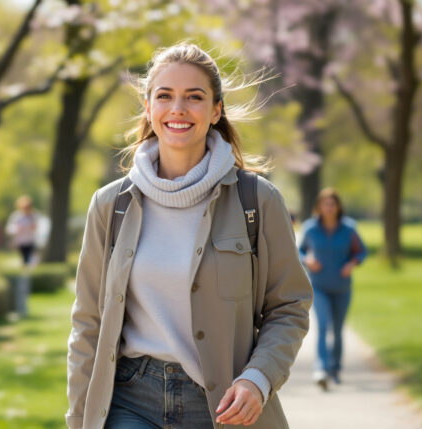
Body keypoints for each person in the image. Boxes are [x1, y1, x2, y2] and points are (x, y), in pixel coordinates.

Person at [65, 42, 312, 429]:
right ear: (148, 107)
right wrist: (79, 419)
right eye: (165, 96)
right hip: (129, 400)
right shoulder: (110, 204)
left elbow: (289, 306)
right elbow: (87, 323)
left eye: (194, 97)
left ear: (215, 111)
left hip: (222, 406)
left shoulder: (257, 201)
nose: (178, 109)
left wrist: (258, 379)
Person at [298, 188, 366, 390]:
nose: (328, 208)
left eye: (332, 204)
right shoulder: (310, 228)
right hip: (319, 286)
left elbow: (361, 251)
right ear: (319, 207)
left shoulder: (349, 228)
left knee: (337, 330)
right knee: (322, 326)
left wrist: (351, 264)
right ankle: (321, 369)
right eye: (325, 204)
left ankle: (335, 369)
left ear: (338, 207)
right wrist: (307, 259)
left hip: (342, 287)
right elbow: (300, 250)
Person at [6, 195, 38, 266]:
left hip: (30, 240)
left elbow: (37, 228)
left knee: (30, 258)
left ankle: (28, 272)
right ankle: (24, 273)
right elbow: (9, 229)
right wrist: (17, 228)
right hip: (21, 241)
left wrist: (34, 227)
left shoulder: (33, 216)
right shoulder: (16, 216)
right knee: (24, 259)